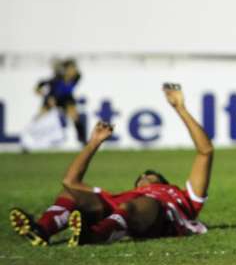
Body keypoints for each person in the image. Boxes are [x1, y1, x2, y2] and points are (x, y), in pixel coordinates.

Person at [9, 83, 214, 246]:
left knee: (140, 204)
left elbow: (205, 152)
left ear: (162, 182)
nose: (144, 175)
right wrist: (94, 143)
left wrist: (180, 108)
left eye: (150, 175)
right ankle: (42, 229)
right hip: (124, 207)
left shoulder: (182, 198)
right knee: (71, 194)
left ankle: (93, 235)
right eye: (142, 176)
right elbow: (70, 181)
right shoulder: (121, 196)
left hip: (159, 219)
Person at [35, 58, 87, 145]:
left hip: (66, 99)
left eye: (74, 68)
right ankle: (30, 138)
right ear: (66, 69)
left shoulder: (77, 76)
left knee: (75, 116)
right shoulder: (57, 78)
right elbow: (43, 84)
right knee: (39, 117)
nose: (73, 70)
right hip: (52, 98)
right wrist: (45, 95)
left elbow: (66, 88)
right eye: (71, 68)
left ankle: (82, 139)